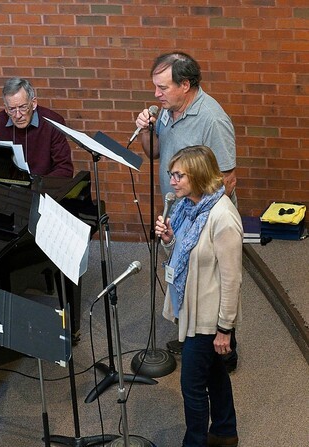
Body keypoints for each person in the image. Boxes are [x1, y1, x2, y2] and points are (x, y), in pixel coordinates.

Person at [135, 52, 238, 367]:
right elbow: (155, 152)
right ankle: (193, 338)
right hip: (178, 213)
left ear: (186, 84)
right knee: (185, 280)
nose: (156, 94)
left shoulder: (212, 119)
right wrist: (145, 130)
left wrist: (196, 223)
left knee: (211, 286)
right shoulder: (168, 112)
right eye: (155, 87)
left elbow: (227, 179)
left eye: (163, 87)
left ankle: (225, 351)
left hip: (202, 221)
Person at [155, 145, 242, 447]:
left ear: (199, 175)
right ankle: (225, 432)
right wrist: (169, 240)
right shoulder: (186, 208)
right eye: (172, 174)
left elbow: (232, 279)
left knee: (191, 384)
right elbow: (184, 254)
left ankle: (195, 442)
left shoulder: (223, 217)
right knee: (214, 373)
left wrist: (225, 329)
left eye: (179, 175)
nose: (172, 181)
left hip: (208, 318)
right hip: (192, 309)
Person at [0, 77, 74, 178]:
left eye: (23, 107)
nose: (18, 115)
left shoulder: (53, 123)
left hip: (46, 185)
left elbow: (64, 169)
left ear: (33, 103)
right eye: (12, 109)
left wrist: (38, 185)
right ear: (6, 109)